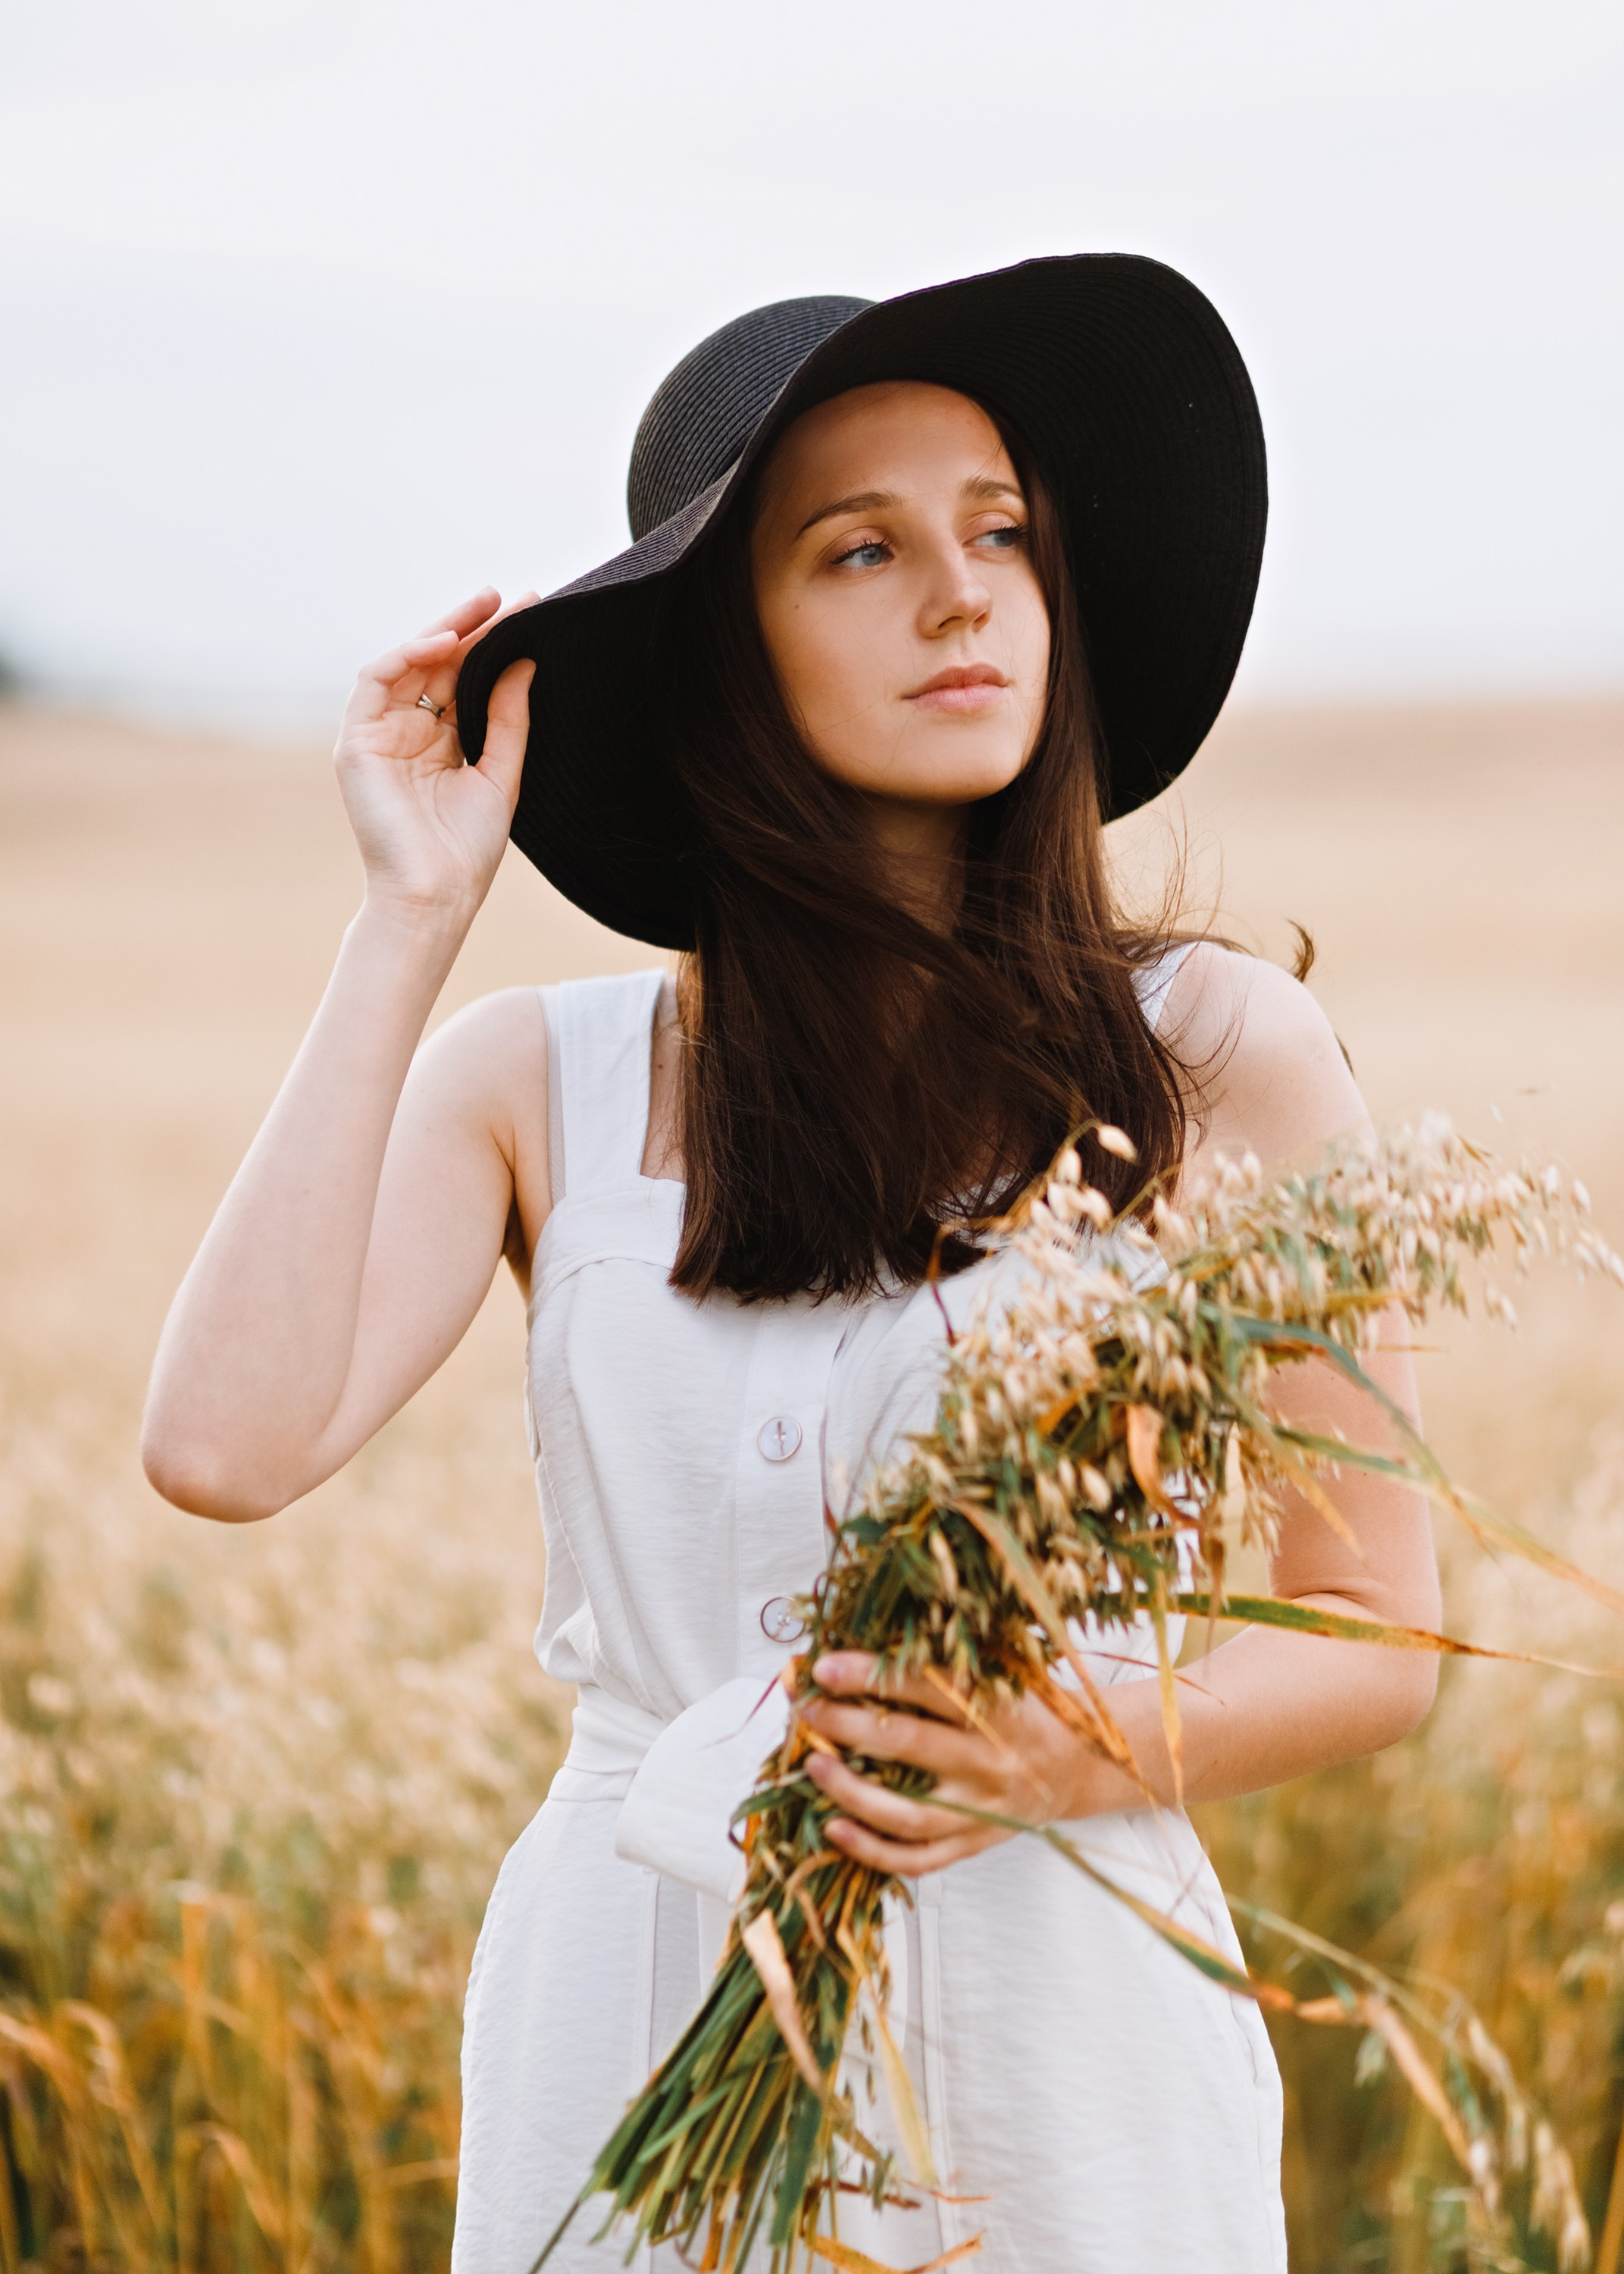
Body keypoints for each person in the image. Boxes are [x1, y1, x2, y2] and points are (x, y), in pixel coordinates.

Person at [143, 257, 1441, 2272]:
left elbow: (1380, 1622)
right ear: (719, 654)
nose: (963, 594)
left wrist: (1057, 1740)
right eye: (860, 548)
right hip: (626, 2014)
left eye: (1002, 532)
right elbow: (223, 1445)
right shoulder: (537, 1085)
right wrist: (407, 922)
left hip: (1058, 2019)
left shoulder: (1212, 1058)